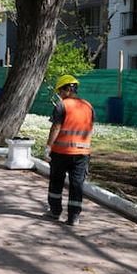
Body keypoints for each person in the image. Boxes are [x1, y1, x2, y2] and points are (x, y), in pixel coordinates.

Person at [44, 74, 95, 226]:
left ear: (66, 90)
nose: (59, 95)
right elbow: (89, 128)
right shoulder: (88, 106)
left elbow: (56, 127)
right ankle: (74, 217)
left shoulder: (61, 106)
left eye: (60, 91)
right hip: (82, 154)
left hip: (61, 152)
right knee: (76, 184)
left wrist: (48, 146)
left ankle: (54, 212)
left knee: (56, 182)